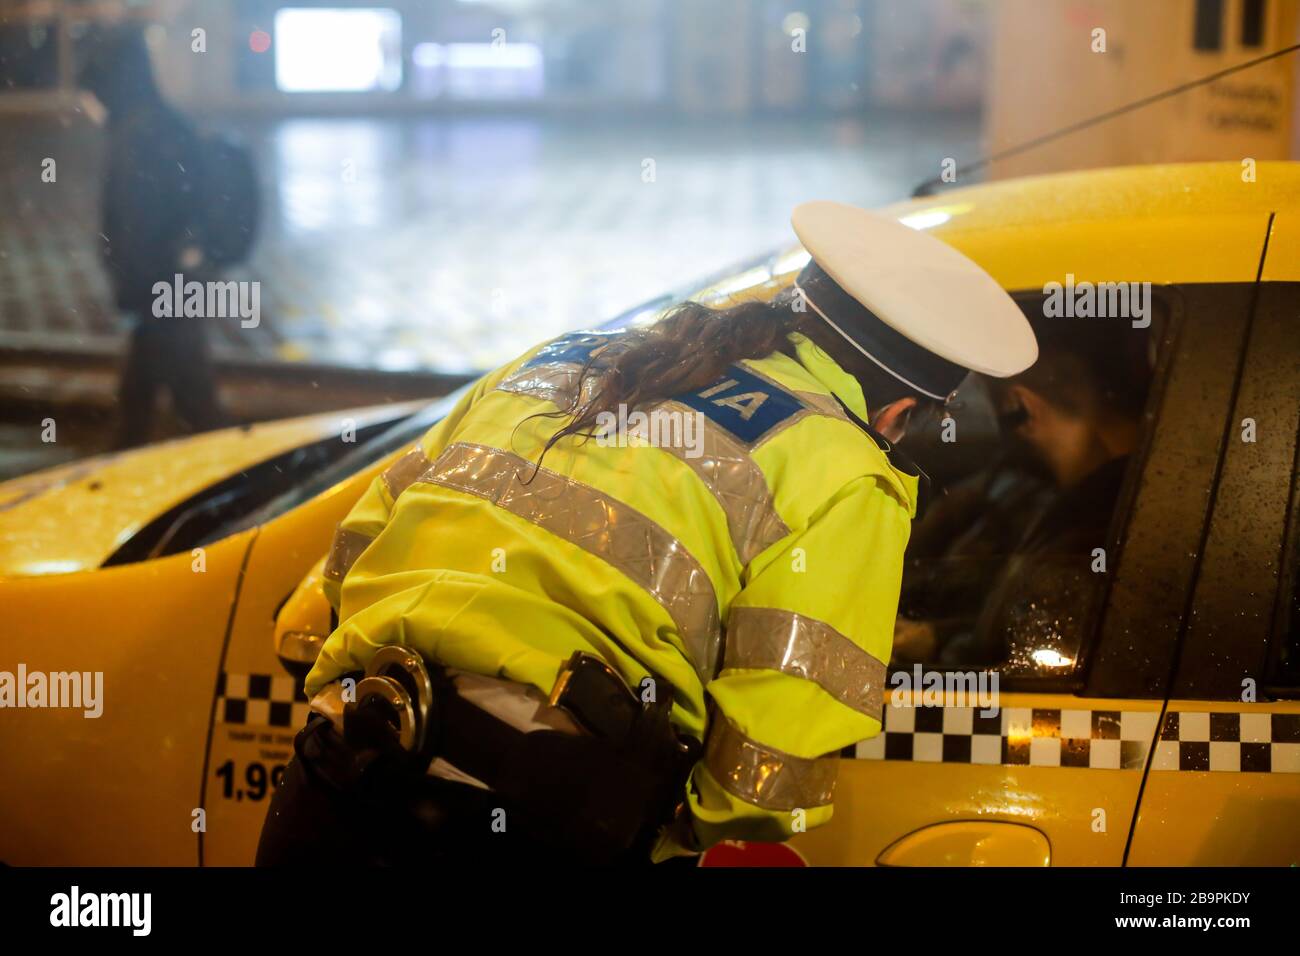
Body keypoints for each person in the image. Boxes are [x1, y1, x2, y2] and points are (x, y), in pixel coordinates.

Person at [255, 201, 1039, 866]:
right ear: (899, 415)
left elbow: (356, 552)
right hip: (530, 823)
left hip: (336, 774)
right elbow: (769, 767)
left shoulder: (556, 360)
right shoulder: (846, 471)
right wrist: (676, 830)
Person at [894, 306, 1153, 667]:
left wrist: (942, 652)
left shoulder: (1095, 525)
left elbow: (1027, 657)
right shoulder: (1135, 496)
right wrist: (937, 638)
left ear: (1021, 407)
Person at [79, 25, 229, 448]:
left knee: (174, 404)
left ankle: (230, 480)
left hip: (162, 291)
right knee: (169, 399)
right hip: (176, 285)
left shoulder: (137, 136)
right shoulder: (166, 123)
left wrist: (133, 289)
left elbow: (135, 225)